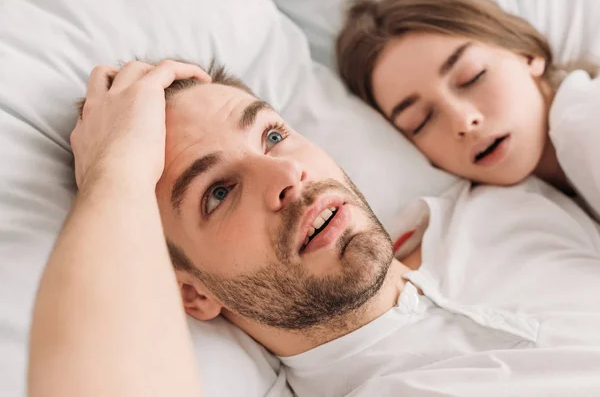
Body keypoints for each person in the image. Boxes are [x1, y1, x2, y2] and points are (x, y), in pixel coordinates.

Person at [29, 58, 600, 397]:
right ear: (190, 291)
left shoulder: (505, 203)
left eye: (273, 136)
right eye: (218, 193)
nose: (285, 173)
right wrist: (116, 170)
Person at [336, 0, 600, 221]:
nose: (463, 121)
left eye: (472, 77)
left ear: (528, 54)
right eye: (420, 121)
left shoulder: (586, 117)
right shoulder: (513, 211)